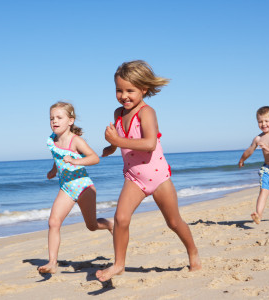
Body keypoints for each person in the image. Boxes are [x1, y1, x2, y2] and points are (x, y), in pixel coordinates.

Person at [96, 60, 201, 282]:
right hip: (134, 177)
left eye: (130, 91)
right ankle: (119, 264)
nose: (124, 96)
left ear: (144, 89)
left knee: (173, 222)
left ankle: (192, 251)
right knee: (121, 218)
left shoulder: (147, 112)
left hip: (159, 178)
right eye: (119, 90)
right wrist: (112, 146)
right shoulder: (118, 112)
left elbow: (149, 143)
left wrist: (117, 140)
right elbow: (122, 139)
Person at [38, 101, 113, 274]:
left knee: (92, 225)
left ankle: (111, 224)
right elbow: (58, 158)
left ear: (70, 120)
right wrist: (53, 170)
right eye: (51, 118)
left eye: (59, 117)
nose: (54, 121)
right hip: (65, 187)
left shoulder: (76, 141)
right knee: (53, 222)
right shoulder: (52, 141)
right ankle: (52, 262)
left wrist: (75, 161)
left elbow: (95, 158)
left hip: (83, 186)